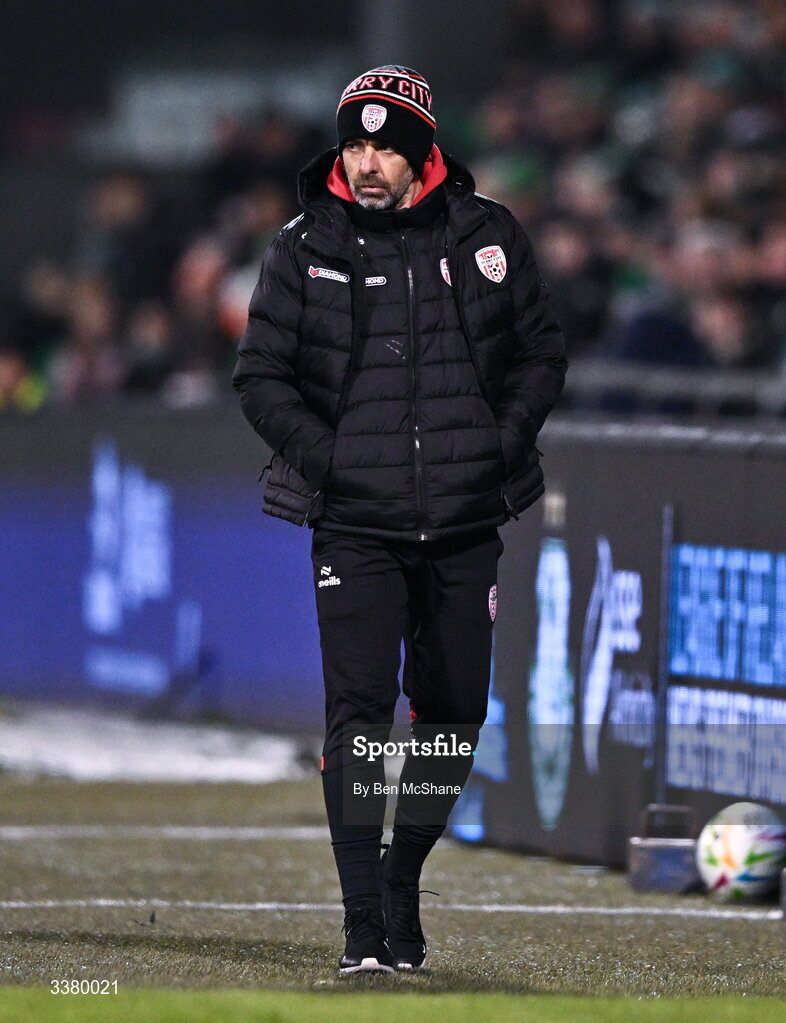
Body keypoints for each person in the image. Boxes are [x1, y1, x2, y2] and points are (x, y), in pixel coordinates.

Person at [233, 65, 567, 975]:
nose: (368, 161)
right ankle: (359, 929)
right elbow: (258, 375)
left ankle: (400, 878)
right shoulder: (304, 247)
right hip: (355, 522)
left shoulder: (490, 236)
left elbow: (541, 352)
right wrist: (331, 459)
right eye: (355, 143)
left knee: (453, 712)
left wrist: (500, 443)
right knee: (360, 713)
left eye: (385, 145)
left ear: (424, 155)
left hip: (465, 517)